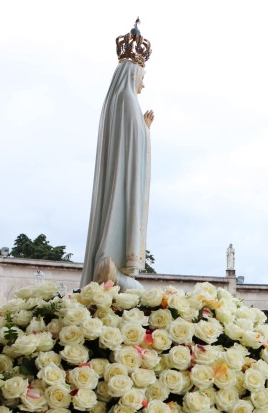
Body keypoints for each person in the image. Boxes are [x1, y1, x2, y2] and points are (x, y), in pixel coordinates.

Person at [80, 20, 154, 291]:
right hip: (123, 186)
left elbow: (127, 145)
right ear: (134, 74)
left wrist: (143, 130)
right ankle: (110, 265)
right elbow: (132, 152)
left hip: (117, 179)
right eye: (142, 79)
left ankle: (111, 267)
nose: (143, 86)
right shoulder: (128, 100)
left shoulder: (116, 100)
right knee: (137, 291)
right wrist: (145, 133)